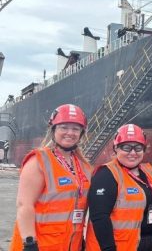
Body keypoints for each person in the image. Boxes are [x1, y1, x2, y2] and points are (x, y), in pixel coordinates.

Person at [10, 103, 92, 251]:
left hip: (70, 245)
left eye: (75, 128)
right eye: (64, 127)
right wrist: (29, 243)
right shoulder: (38, 161)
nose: (70, 132)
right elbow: (24, 205)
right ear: (53, 130)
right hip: (41, 245)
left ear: (81, 133)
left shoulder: (83, 166)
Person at [86, 124, 152, 251]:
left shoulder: (150, 172)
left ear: (144, 149)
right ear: (116, 148)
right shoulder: (106, 175)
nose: (132, 153)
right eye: (126, 147)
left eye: (138, 147)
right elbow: (99, 217)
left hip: (148, 244)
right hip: (120, 246)